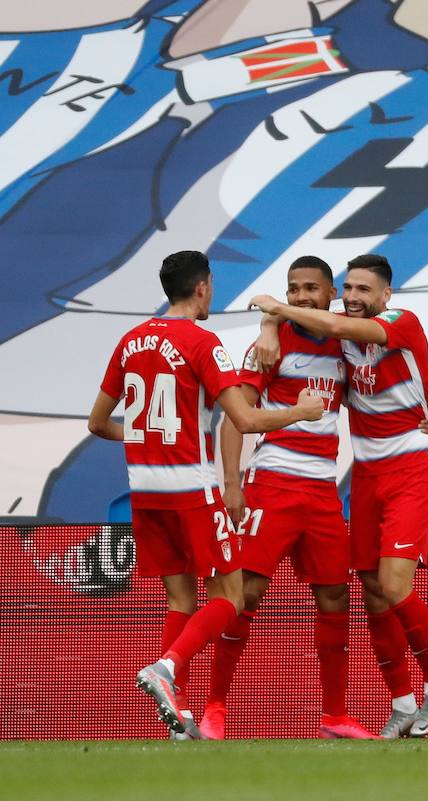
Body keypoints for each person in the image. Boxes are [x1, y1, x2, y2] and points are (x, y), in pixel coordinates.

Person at [85, 250, 324, 737]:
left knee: (180, 601)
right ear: (202, 288)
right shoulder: (202, 342)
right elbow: (248, 420)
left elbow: (96, 422)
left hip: (144, 489)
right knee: (230, 597)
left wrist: (142, 438)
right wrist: (301, 413)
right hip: (191, 489)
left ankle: (180, 718)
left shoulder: (130, 341)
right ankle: (166, 668)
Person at [205, 255, 428, 740]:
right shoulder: (267, 349)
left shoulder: (346, 342)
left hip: (324, 494)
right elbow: (235, 416)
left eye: (312, 288)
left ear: (329, 294)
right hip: (271, 483)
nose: (301, 296)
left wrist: (275, 313)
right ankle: (214, 709)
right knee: (245, 595)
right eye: (293, 289)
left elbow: (381, 378)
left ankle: (336, 715)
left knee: (337, 598)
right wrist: (231, 482)